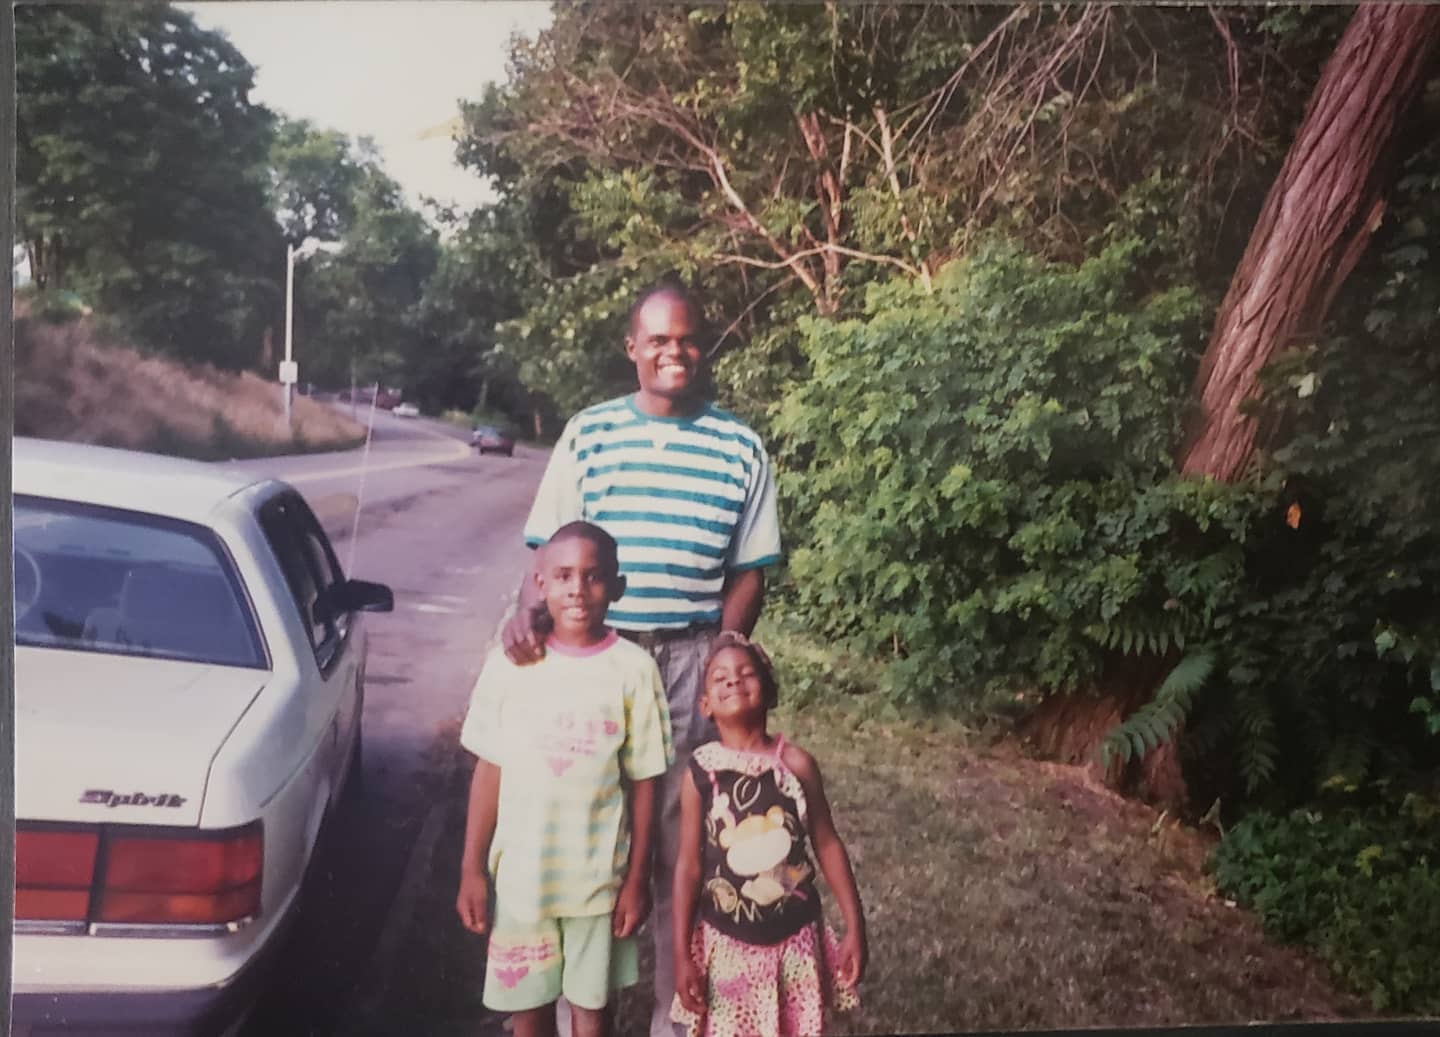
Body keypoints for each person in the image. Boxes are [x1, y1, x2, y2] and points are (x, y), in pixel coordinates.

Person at [504, 275, 782, 1037]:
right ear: (633, 347)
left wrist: (724, 649)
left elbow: (750, 569)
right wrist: (527, 614)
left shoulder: (740, 445)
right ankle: (579, 1012)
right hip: (598, 658)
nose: (674, 352)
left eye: (687, 339)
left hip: (691, 661)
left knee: (681, 845)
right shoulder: (589, 433)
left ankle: (674, 1017)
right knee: (590, 834)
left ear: (704, 348)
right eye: (658, 339)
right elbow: (549, 552)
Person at [457, 522, 674, 1037]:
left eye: (593, 576)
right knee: (528, 1011)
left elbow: (646, 781)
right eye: (563, 576)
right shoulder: (510, 665)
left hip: (597, 882)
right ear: (540, 584)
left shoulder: (634, 670)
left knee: (591, 1013)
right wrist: (471, 868)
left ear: (616, 587)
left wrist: (636, 880)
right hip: (522, 881)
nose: (578, 588)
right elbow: (489, 769)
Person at [671, 631, 866, 1037]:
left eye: (746, 673)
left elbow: (827, 843)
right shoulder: (701, 775)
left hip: (795, 942)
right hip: (727, 947)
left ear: (770, 692)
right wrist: (681, 953)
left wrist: (855, 926)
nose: (733, 679)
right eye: (720, 677)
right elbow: (688, 867)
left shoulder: (796, 765)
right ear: (705, 705)